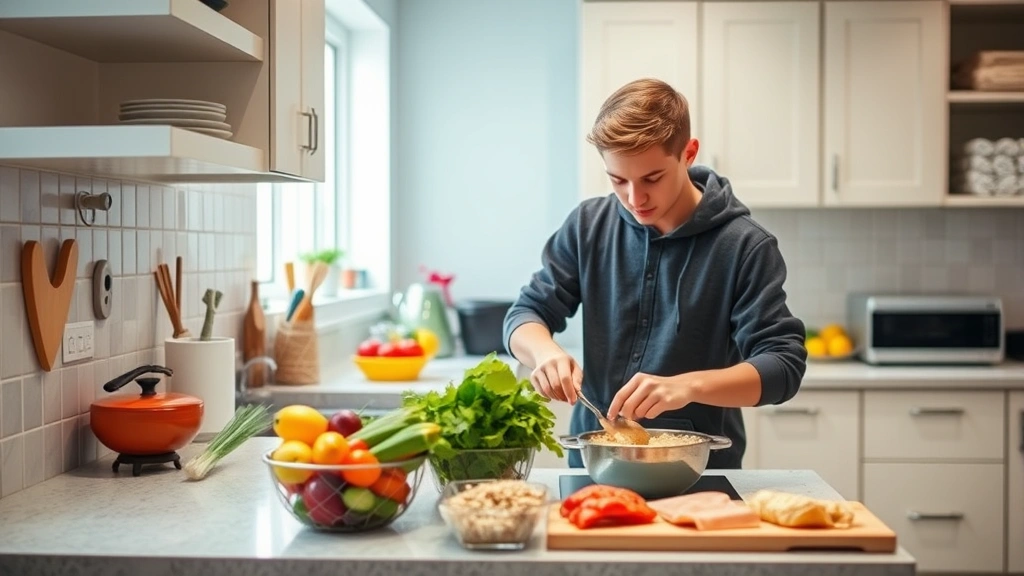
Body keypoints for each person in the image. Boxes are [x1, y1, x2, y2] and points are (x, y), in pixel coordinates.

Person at [502, 78, 807, 469]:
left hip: (700, 474)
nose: (634, 198)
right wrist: (545, 354)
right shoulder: (587, 226)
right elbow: (524, 315)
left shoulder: (744, 246)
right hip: (594, 468)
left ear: (688, 153)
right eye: (618, 180)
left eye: (652, 178)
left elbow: (783, 365)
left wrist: (686, 387)